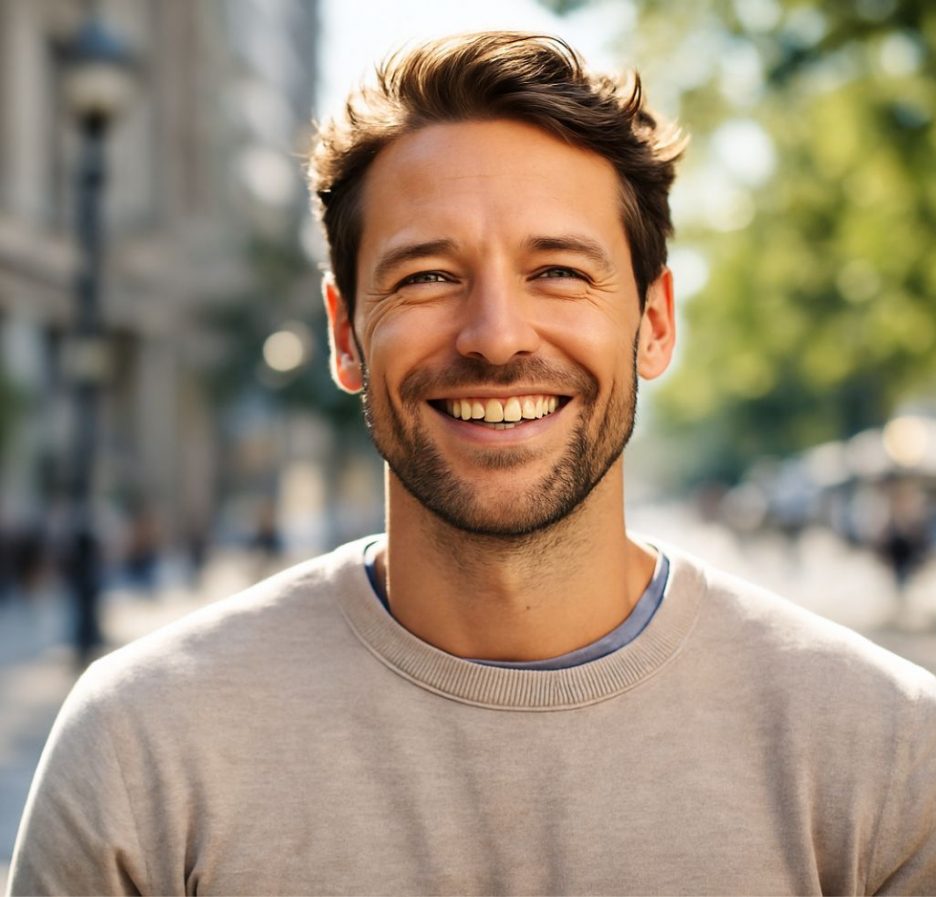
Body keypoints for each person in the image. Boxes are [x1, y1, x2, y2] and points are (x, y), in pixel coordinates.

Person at [8, 32, 936, 896]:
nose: (496, 337)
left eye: (560, 271)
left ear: (654, 322)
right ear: (344, 334)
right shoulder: (144, 746)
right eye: (428, 276)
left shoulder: (887, 755)